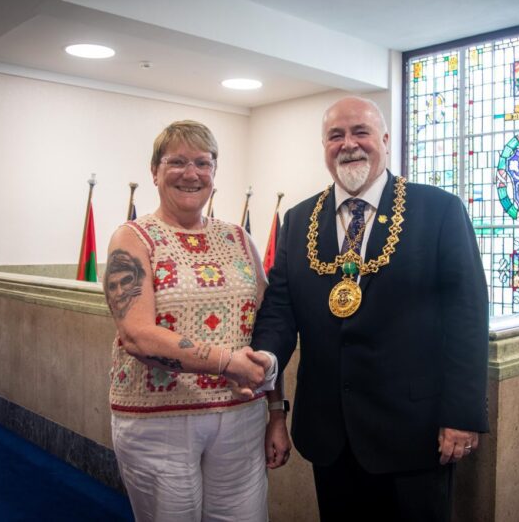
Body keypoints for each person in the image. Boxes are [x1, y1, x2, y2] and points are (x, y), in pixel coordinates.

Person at [249, 97, 489, 521]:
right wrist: (267, 357)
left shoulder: (439, 210)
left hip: (414, 432)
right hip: (328, 433)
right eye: (335, 135)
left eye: (360, 132)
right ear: (324, 145)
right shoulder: (299, 219)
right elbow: (280, 308)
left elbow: (466, 318)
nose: (348, 144)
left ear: (384, 139)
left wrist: (461, 415)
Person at [104, 120, 291, 522]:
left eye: (203, 163)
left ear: (214, 174)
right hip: (160, 421)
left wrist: (277, 413)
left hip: (242, 418)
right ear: (154, 171)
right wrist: (225, 362)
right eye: (177, 162)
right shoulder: (133, 238)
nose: (191, 174)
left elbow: (265, 328)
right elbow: (136, 335)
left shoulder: (239, 239)